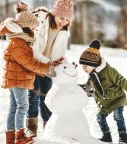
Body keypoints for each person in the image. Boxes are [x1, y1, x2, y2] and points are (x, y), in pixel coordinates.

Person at [0, 2, 63, 144]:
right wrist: (46, 69)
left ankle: (11, 137)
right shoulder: (17, 42)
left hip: (16, 77)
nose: (36, 27)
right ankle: (19, 136)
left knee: (15, 106)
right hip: (17, 79)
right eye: (33, 25)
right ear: (25, 26)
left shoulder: (21, 40)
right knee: (22, 106)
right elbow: (29, 63)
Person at [79, 40, 127, 144]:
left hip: (117, 99)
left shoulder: (109, 71)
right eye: (82, 66)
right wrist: (74, 88)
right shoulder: (92, 76)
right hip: (105, 102)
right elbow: (87, 89)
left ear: (93, 63)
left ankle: (123, 138)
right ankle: (107, 136)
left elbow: (122, 81)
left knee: (118, 117)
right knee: (100, 117)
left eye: (85, 66)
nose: (83, 69)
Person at [25, 0, 74, 138]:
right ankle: (31, 128)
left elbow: (60, 53)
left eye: (67, 19)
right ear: (54, 13)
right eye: (61, 17)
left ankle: (49, 126)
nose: (63, 21)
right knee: (33, 95)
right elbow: (34, 49)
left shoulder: (64, 30)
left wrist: (63, 63)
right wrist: (49, 62)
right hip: (34, 63)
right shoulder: (41, 22)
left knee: (46, 96)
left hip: (48, 67)